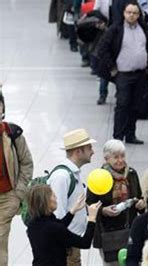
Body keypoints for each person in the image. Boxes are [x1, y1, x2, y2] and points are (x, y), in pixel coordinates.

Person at [97, 1, 148, 144]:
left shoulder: (145, 29)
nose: (132, 15)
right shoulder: (115, 29)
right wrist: (112, 68)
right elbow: (103, 49)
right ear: (124, 13)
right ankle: (118, 136)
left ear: (139, 14)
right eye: (129, 12)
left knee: (136, 105)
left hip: (140, 73)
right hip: (123, 74)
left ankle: (131, 134)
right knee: (123, 104)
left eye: (135, 13)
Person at [86, 139, 146, 264]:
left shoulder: (131, 174)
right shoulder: (99, 177)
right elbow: (89, 205)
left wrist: (141, 204)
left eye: (122, 156)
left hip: (131, 230)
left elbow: (139, 197)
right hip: (109, 233)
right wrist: (103, 211)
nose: (120, 160)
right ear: (106, 159)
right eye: (115, 157)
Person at [48, 128, 96, 265]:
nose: (93, 152)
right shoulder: (62, 177)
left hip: (71, 242)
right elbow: (57, 214)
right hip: (66, 247)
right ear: (78, 152)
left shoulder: (73, 174)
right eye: (89, 148)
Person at [26, 184, 102, 266]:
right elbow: (85, 243)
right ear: (45, 201)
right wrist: (92, 218)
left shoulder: (32, 225)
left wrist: (73, 211)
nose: (56, 198)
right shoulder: (54, 228)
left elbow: (58, 226)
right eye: (52, 195)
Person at [0, 91, 33, 266]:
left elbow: (27, 163)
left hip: (6, 198)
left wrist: (18, 194)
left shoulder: (13, 134)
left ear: (3, 108)